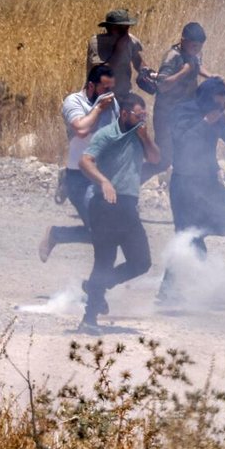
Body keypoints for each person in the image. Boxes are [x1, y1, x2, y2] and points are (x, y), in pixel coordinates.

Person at [156, 77, 225, 303]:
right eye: (217, 103)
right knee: (186, 236)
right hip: (184, 184)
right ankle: (168, 292)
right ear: (205, 98)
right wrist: (205, 123)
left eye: (224, 104)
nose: (221, 108)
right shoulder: (182, 111)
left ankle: (196, 245)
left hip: (208, 182)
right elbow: (181, 140)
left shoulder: (216, 114)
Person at [76, 93, 161, 332]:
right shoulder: (107, 134)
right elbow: (85, 161)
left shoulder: (139, 135)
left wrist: (146, 138)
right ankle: (89, 319)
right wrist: (104, 181)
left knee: (141, 262)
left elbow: (155, 158)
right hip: (105, 205)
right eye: (138, 115)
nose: (142, 119)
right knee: (104, 260)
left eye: (144, 115)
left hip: (128, 206)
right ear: (124, 114)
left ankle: (96, 286)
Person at [38, 65, 116, 262]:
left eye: (111, 88)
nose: (109, 94)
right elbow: (81, 129)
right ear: (91, 86)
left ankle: (58, 235)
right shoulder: (74, 102)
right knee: (100, 231)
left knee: (107, 231)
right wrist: (98, 108)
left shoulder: (111, 104)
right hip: (79, 178)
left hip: (103, 175)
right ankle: (57, 234)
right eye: (105, 88)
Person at [148, 22, 208, 174]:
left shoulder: (194, 53)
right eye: (194, 46)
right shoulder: (172, 56)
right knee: (165, 154)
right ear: (183, 41)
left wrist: (210, 75)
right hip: (167, 112)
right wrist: (184, 72)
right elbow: (162, 85)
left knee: (186, 148)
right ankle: (159, 179)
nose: (197, 50)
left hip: (185, 111)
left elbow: (197, 65)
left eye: (199, 46)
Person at [86, 9, 154, 100]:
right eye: (119, 28)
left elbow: (138, 61)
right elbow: (100, 73)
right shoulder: (97, 43)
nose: (124, 31)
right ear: (109, 28)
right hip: (100, 96)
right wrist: (118, 49)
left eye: (126, 27)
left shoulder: (130, 40)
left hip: (124, 94)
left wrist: (146, 72)